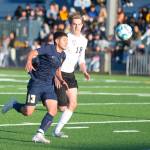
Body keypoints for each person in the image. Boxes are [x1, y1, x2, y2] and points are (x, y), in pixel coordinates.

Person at [2, 31, 68, 144]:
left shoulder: (63, 55)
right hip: (36, 83)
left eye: (67, 40)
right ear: (57, 41)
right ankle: (14, 104)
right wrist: (28, 61)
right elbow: (33, 52)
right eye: (64, 40)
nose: (66, 42)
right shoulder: (49, 48)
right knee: (28, 112)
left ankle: (39, 134)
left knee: (53, 109)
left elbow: (58, 69)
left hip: (49, 86)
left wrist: (61, 79)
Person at [53, 13, 90, 138]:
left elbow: (81, 60)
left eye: (79, 24)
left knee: (73, 104)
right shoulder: (65, 38)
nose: (76, 26)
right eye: (74, 24)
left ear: (82, 25)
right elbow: (56, 56)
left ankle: (57, 131)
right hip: (59, 73)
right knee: (62, 107)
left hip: (71, 75)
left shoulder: (84, 41)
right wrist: (56, 75)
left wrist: (84, 70)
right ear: (70, 25)